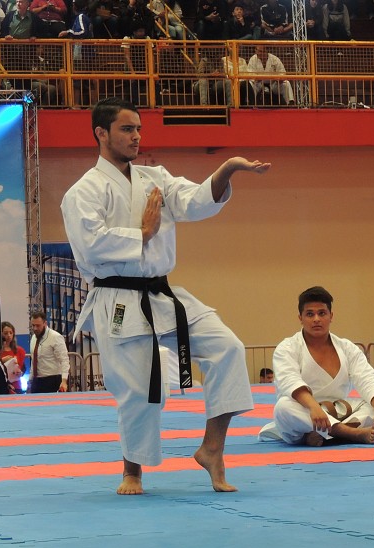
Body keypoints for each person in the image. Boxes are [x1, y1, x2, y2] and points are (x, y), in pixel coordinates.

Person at [61, 97, 270, 494]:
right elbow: (90, 246)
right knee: (140, 390)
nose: (136, 136)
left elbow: (195, 200)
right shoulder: (82, 192)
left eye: (138, 129)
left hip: (161, 292)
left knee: (227, 347)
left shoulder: (154, 178)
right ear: (101, 133)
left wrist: (227, 169)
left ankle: (212, 449)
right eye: (127, 129)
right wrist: (143, 233)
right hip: (117, 299)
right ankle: (132, 471)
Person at [258, 286, 374, 447]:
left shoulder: (347, 347)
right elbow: (290, 381)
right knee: (283, 408)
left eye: (322, 313)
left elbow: (366, 377)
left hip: (339, 411)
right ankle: (350, 434)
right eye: (310, 314)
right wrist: (313, 408)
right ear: (300, 318)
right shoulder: (287, 347)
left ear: (331, 316)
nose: (316, 319)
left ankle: (322, 436)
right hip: (306, 411)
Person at [28, 311, 70, 393]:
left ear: (45, 323)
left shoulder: (56, 337)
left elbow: (64, 360)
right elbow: (34, 360)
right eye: (33, 325)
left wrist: (64, 381)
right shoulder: (33, 338)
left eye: (38, 325)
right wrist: (30, 380)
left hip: (53, 380)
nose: (35, 328)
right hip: (37, 381)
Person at [1, 321, 27, 392]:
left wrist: (20, 373)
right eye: (6, 333)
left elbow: (22, 368)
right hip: (2, 386)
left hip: (16, 386)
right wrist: (2, 361)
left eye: (11, 333)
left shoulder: (20, 350)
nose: (9, 335)